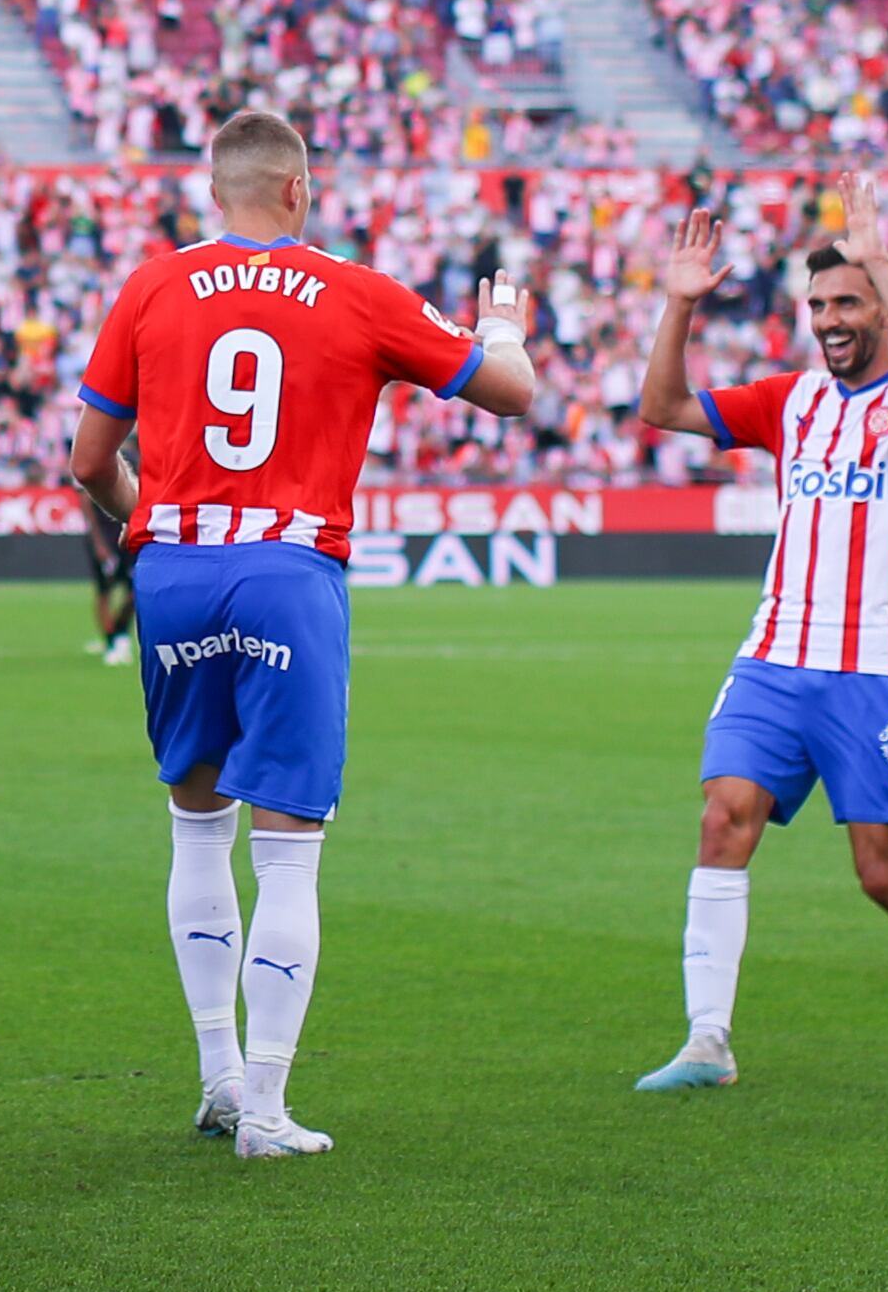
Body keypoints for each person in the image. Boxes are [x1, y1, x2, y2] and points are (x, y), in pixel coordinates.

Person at [64, 107, 540, 1160]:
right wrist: (501, 324)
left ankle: (219, 1077)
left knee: (196, 826)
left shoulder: (151, 283)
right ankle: (269, 1110)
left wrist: (154, 529)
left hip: (176, 569)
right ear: (297, 189)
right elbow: (510, 391)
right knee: (288, 851)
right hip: (288, 566)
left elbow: (88, 459)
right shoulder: (355, 289)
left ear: (214, 189)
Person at [627, 196, 888, 1092]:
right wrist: (679, 301)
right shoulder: (789, 401)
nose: (831, 322)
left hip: (871, 670)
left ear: (878, 306)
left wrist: (879, 260)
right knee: (723, 819)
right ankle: (705, 1042)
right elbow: (661, 405)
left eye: (847, 303)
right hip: (772, 659)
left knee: (882, 871)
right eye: (820, 307)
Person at [85, 493, 138, 666]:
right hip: (106, 538)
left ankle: (119, 631)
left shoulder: (135, 466)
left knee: (135, 592)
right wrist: (98, 543)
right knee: (104, 592)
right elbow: (86, 501)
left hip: (129, 537)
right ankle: (111, 642)